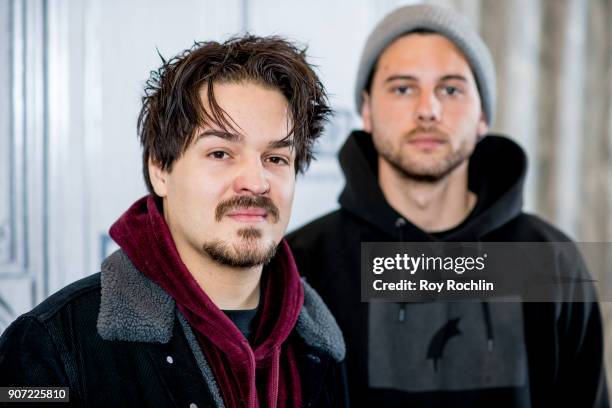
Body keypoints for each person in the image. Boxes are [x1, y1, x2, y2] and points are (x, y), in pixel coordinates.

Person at [0, 35, 348, 407]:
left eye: (276, 158)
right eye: (220, 153)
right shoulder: (53, 343)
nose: (256, 181)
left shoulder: (320, 345)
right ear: (160, 169)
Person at [287, 4, 608, 408]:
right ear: (366, 110)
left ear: (482, 117)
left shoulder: (550, 261)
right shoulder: (303, 264)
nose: (428, 110)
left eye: (451, 89)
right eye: (403, 88)